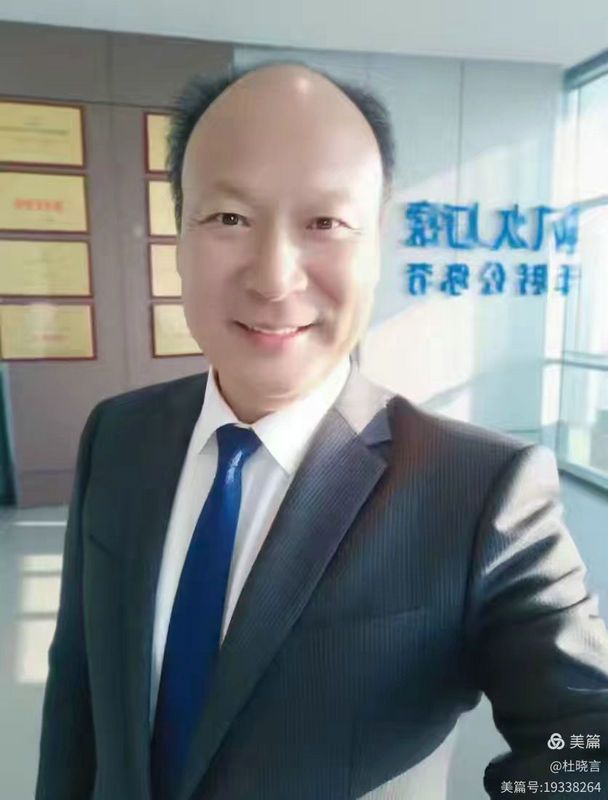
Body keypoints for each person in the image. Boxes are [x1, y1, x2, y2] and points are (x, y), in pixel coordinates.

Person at [36, 61, 608, 800]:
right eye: (229, 218)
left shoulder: (480, 491)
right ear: (177, 234)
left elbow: (586, 740)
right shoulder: (118, 436)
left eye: (325, 223)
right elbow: (78, 691)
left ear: (377, 245)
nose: (275, 278)